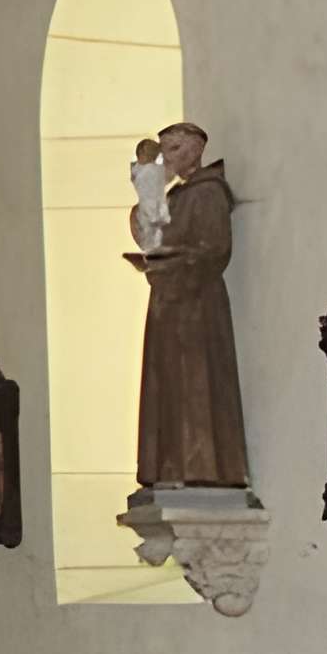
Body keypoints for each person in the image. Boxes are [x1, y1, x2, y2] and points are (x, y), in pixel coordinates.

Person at [128, 121, 249, 488]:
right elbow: (151, 235)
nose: (168, 159)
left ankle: (203, 468)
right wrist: (148, 190)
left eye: (175, 149)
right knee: (168, 384)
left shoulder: (209, 192)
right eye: (165, 151)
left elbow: (214, 249)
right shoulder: (178, 195)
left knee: (197, 382)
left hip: (197, 304)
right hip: (169, 301)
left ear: (196, 149)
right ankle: (170, 466)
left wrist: (174, 264)